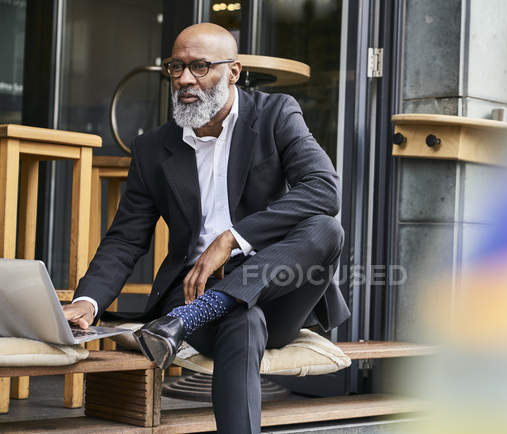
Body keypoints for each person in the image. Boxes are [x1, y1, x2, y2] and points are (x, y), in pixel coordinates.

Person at [62, 22, 349, 433]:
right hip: (194, 286)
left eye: (199, 67)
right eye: (175, 67)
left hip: (278, 287)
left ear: (232, 72)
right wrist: (87, 303)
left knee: (326, 229)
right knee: (242, 318)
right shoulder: (152, 148)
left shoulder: (276, 114)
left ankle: (190, 318)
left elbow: (323, 189)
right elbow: (126, 237)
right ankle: (201, 311)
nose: (183, 79)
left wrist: (231, 238)